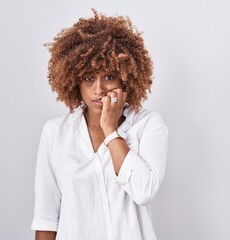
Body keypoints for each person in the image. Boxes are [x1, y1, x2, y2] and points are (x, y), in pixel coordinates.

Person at [31, 8, 168, 240]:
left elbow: (144, 191)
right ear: (75, 81)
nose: (98, 89)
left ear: (125, 77)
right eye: (88, 78)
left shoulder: (148, 125)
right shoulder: (55, 133)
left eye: (109, 76)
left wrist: (111, 131)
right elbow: (46, 218)